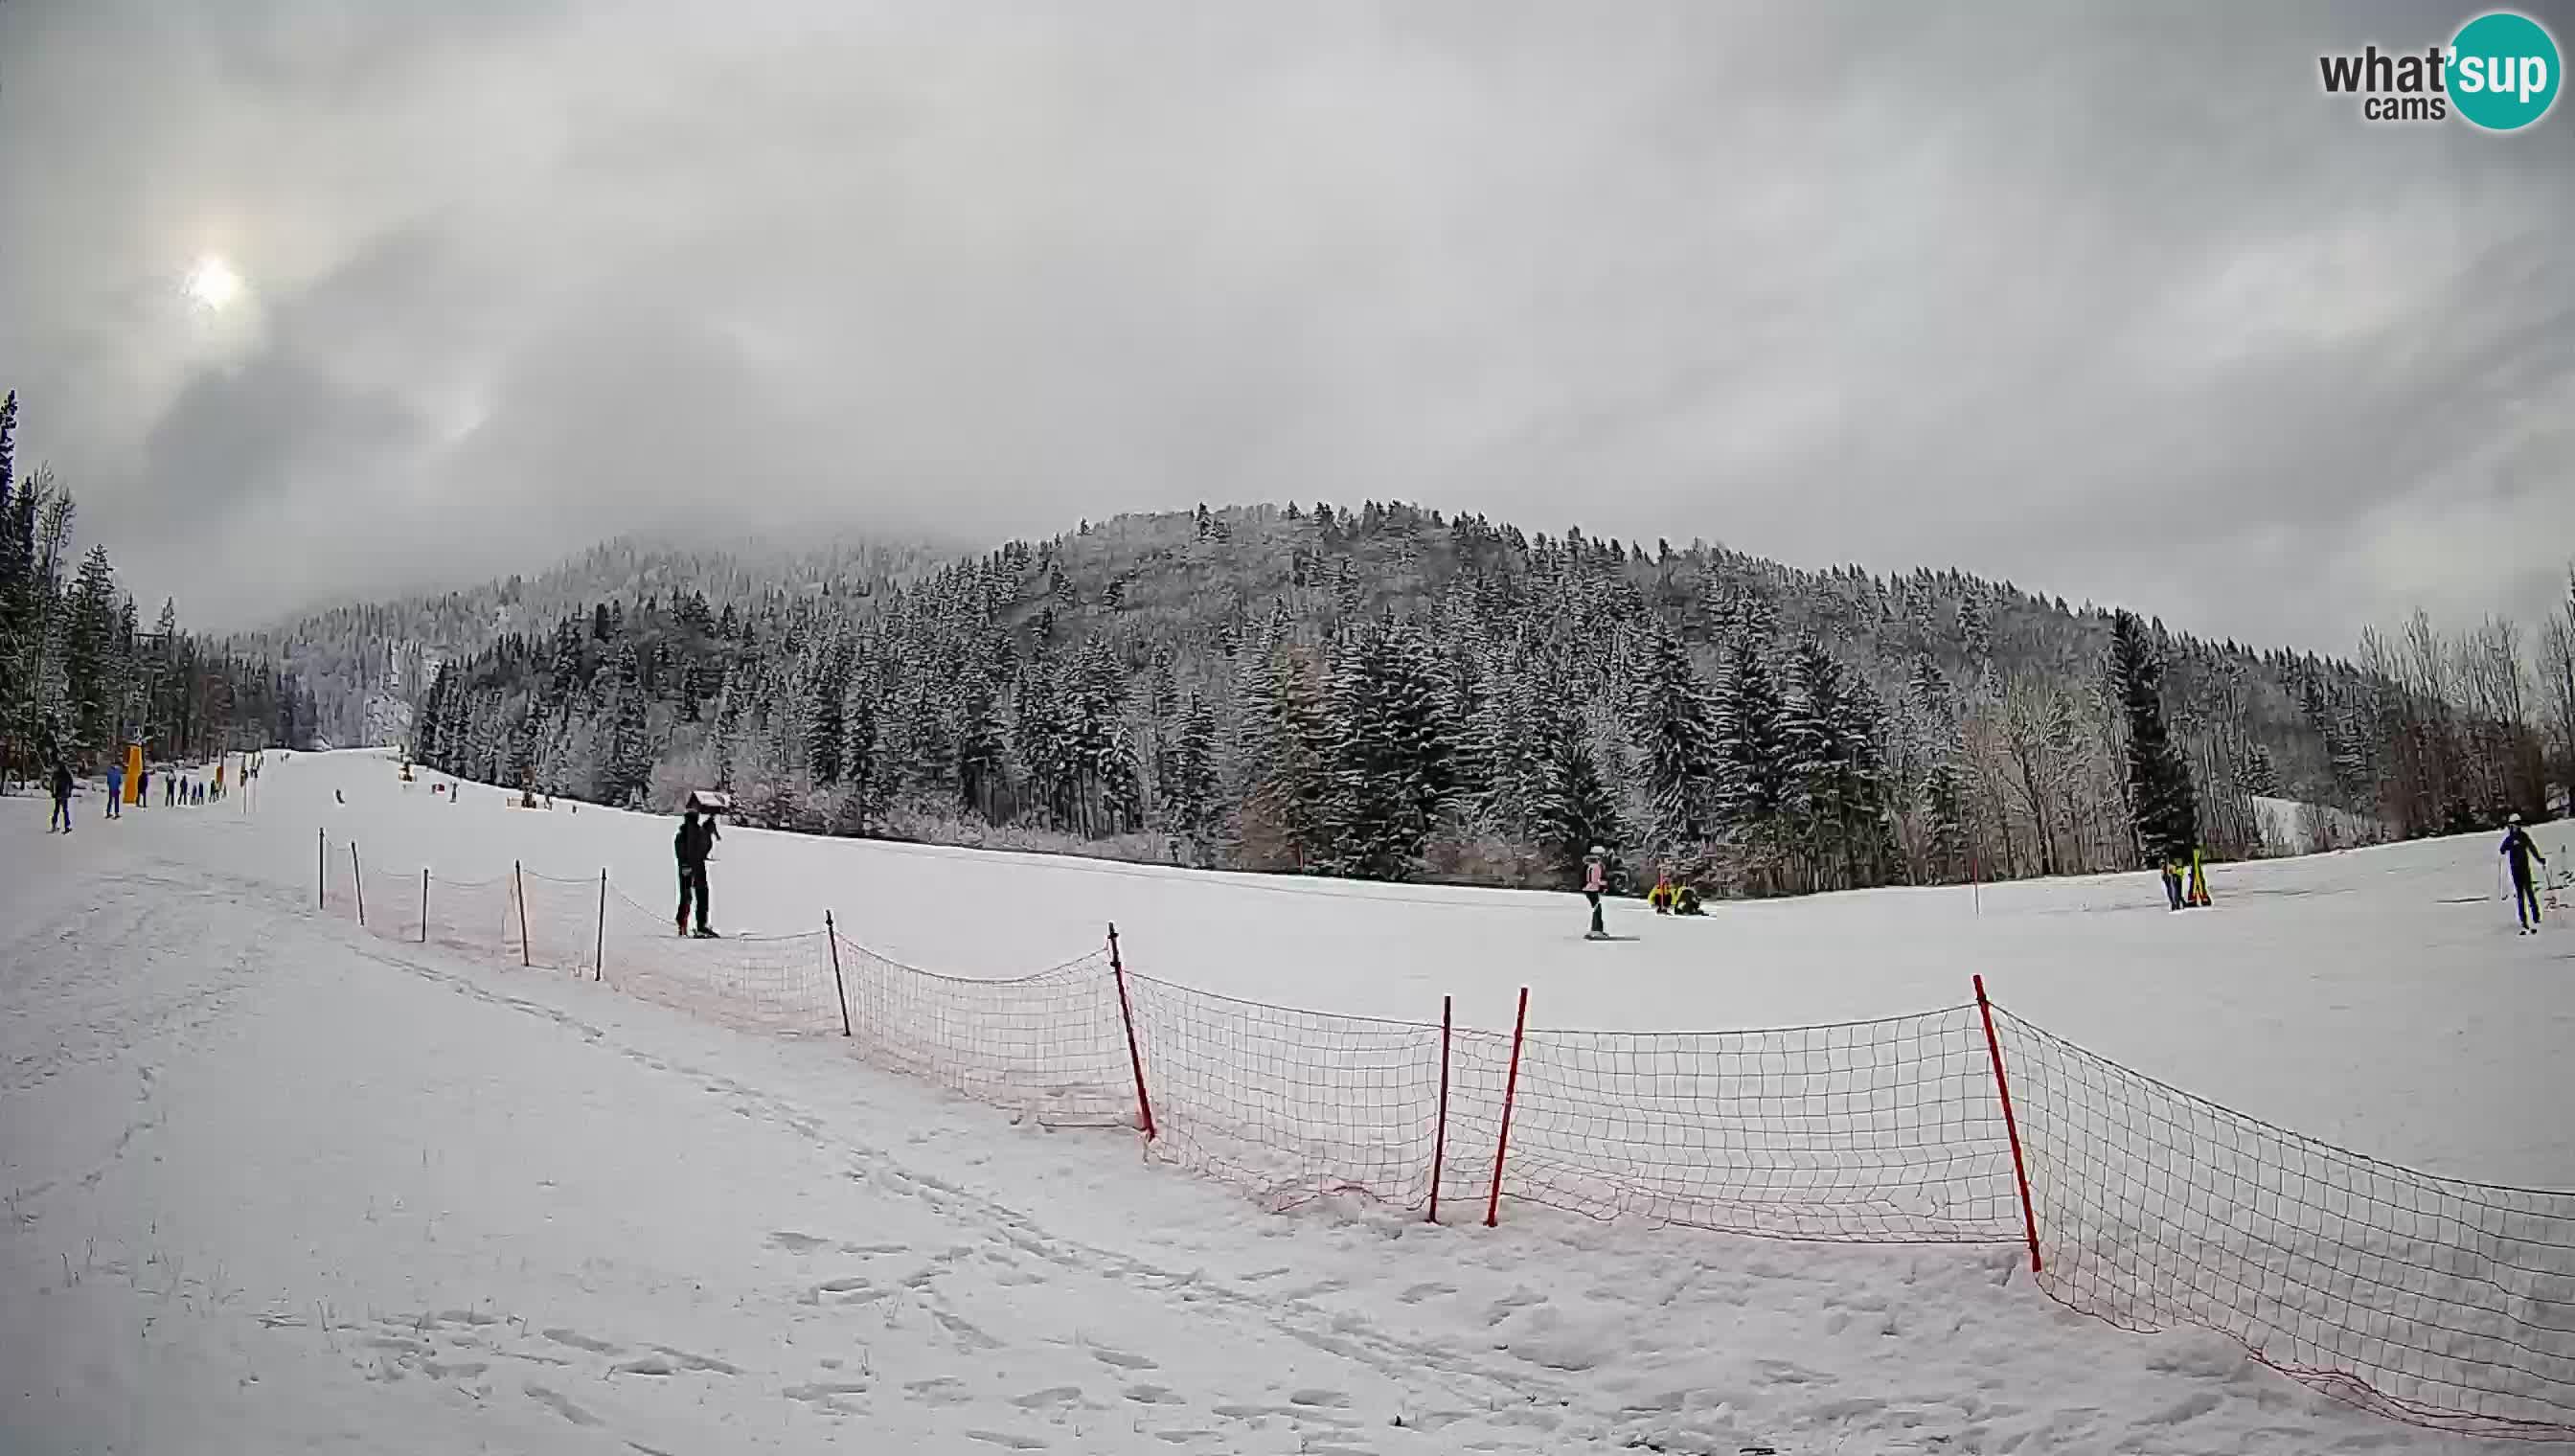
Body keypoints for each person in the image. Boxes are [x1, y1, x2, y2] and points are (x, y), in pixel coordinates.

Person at [674, 807, 718, 938]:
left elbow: (702, 849)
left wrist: (707, 829)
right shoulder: (689, 834)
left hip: (692, 868)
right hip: (693, 868)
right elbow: (704, 847)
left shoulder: (687, 834)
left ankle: (687, 924)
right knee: (696, 896)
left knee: (691, 896)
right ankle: (696, 925)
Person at [2501, 813, 2548, 934]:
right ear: (2511, 826)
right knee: (2520, 897)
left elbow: (2532, 849)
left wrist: (2539, 859)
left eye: (2518, 825)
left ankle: (2536, 918)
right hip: (2516, 872)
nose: (2517, 827)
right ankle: (2523, 920)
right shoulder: (2509, 839)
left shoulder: (2523, 837)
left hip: (2525, 870)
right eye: (2514, 825)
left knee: (2530, 894)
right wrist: (2503, 850)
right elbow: (2502, 849)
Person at [1582, 846, 1608, 939]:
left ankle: (1597, 929)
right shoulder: (1596, 867)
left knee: (1597, 908)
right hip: (1593, 889)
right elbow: (1595, 880)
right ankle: (1596, 930)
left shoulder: (1590, 866)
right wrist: (1604, 884)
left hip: (1590, 889)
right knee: (1597, 909)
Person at [48, 761, 74, 833]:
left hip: (58, 794)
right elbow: (71, 784)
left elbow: (52, 784)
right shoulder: (67, 774)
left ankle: (54, 825)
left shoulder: (56, 774)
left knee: (56, 810)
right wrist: (69, 793)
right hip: (64, 795)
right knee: (65, 810)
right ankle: (67, 826)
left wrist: (53, 792)